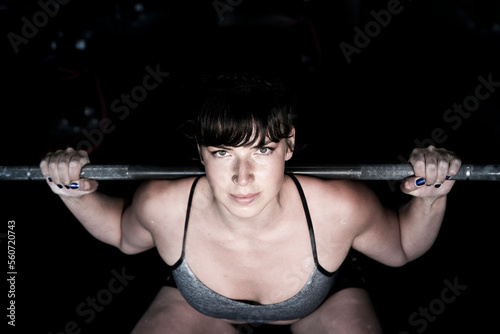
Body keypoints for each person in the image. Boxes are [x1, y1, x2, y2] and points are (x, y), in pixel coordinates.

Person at [40, 73, 461, 334]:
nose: (243, 178)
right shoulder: (165, 205)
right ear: (201, 152)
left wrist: (432, 199)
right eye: (223, 153)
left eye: (261, 151)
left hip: (318, 305)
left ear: (288, 145)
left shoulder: (338, 207)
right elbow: (122, 236)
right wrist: (74, 191)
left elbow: (402, 247)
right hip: (200, 311)